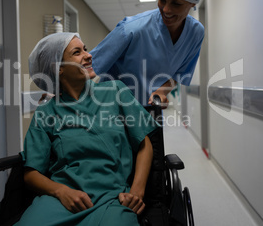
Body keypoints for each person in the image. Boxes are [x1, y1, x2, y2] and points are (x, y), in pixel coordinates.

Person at [16, 32, 158, 225]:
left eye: (85, 49)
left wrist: (136, 192)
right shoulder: (46, 112)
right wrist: (61, 191)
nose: (88, 55)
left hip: (113, 197)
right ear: (59, 69)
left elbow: (144, 144)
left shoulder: (115, 91)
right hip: (63, 199)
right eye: (77, 52)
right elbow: (31, 174)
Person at [90, 0, 205, 107]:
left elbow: (179, 74)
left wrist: (162, 92)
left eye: (176, 3)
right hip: (113, 110)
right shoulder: (131, 29)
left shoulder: (195, 33)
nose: (166, 9)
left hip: (150, 111)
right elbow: (89, 67)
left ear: (193, 3)